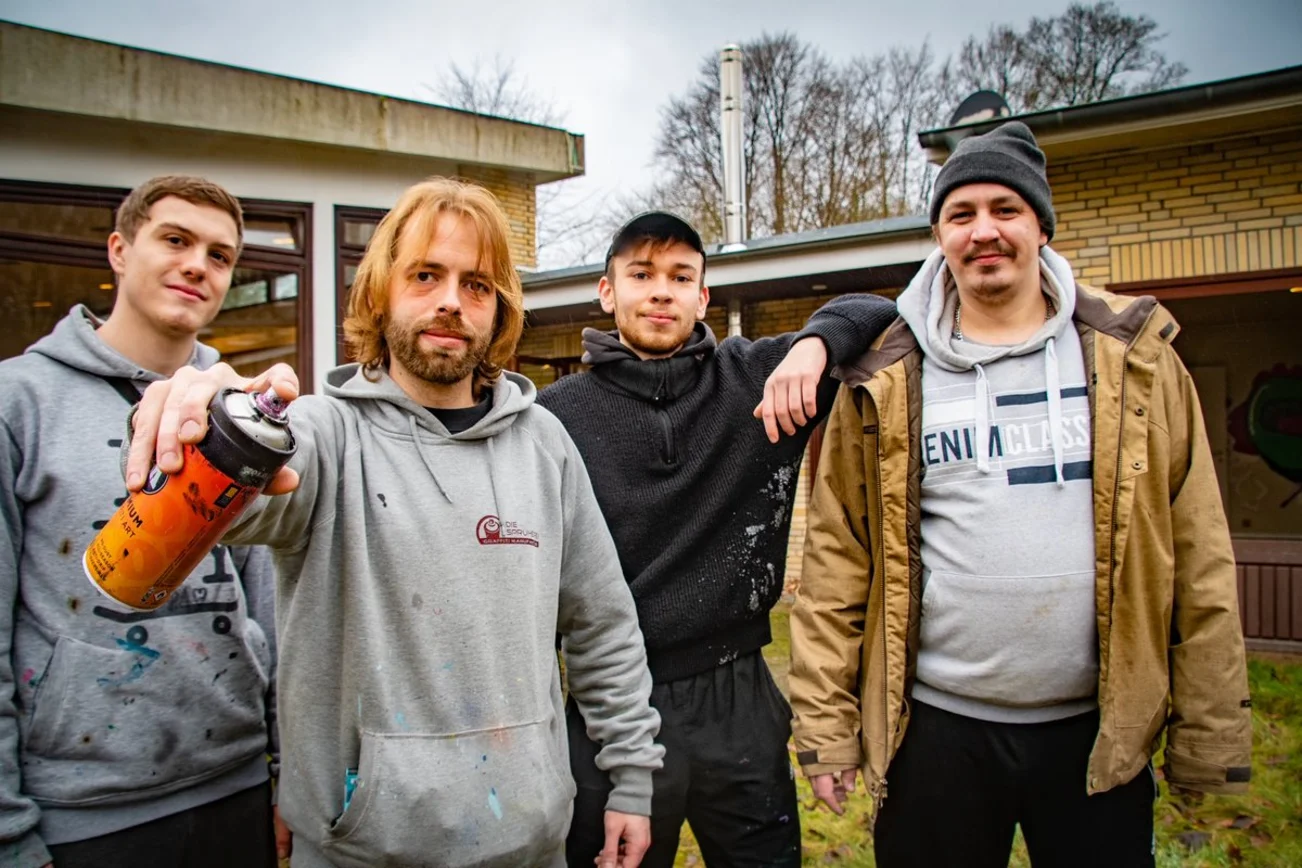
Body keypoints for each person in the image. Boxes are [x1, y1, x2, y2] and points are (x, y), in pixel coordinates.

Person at [121, 177, 664, 868]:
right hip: (364, 847)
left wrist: (632, 779)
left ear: (498, 310)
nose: (449, 301)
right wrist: (210, 427)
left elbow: (602, 622)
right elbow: (248, 489)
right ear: (380, 293)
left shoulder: (545, 444)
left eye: (476, 285)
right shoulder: (323, 433)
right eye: (425, 275)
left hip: (530, 843)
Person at [789, 121, 1253, 867]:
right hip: (933, 735)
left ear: (1041, 225)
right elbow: (836, 568)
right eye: (960, 215)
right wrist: (825, 728)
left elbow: (1199, 556)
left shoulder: (1136, 360)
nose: (984, 232)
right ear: (939, 236)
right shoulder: (885, 380)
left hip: (1098, 734)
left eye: (1005, 209)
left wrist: (1209, 735)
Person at [538, 212, 897, 867]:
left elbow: (880, 312)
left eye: (681, 277)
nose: (660, 291)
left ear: (703, 296)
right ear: (607, 291)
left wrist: (816, 344)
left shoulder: (758, 381)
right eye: (641, 275)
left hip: (740, 700)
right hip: (615, 706)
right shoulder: (556, 419)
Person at [0, 176, 281, 868]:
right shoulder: (21, 403)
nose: (197, 265)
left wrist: (285, 770)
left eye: (219, 256)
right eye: (176, 240)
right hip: (83, 811)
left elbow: (272, 609)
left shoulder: (242, 414)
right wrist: (9, 834)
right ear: (120, 250)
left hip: (237, 783)